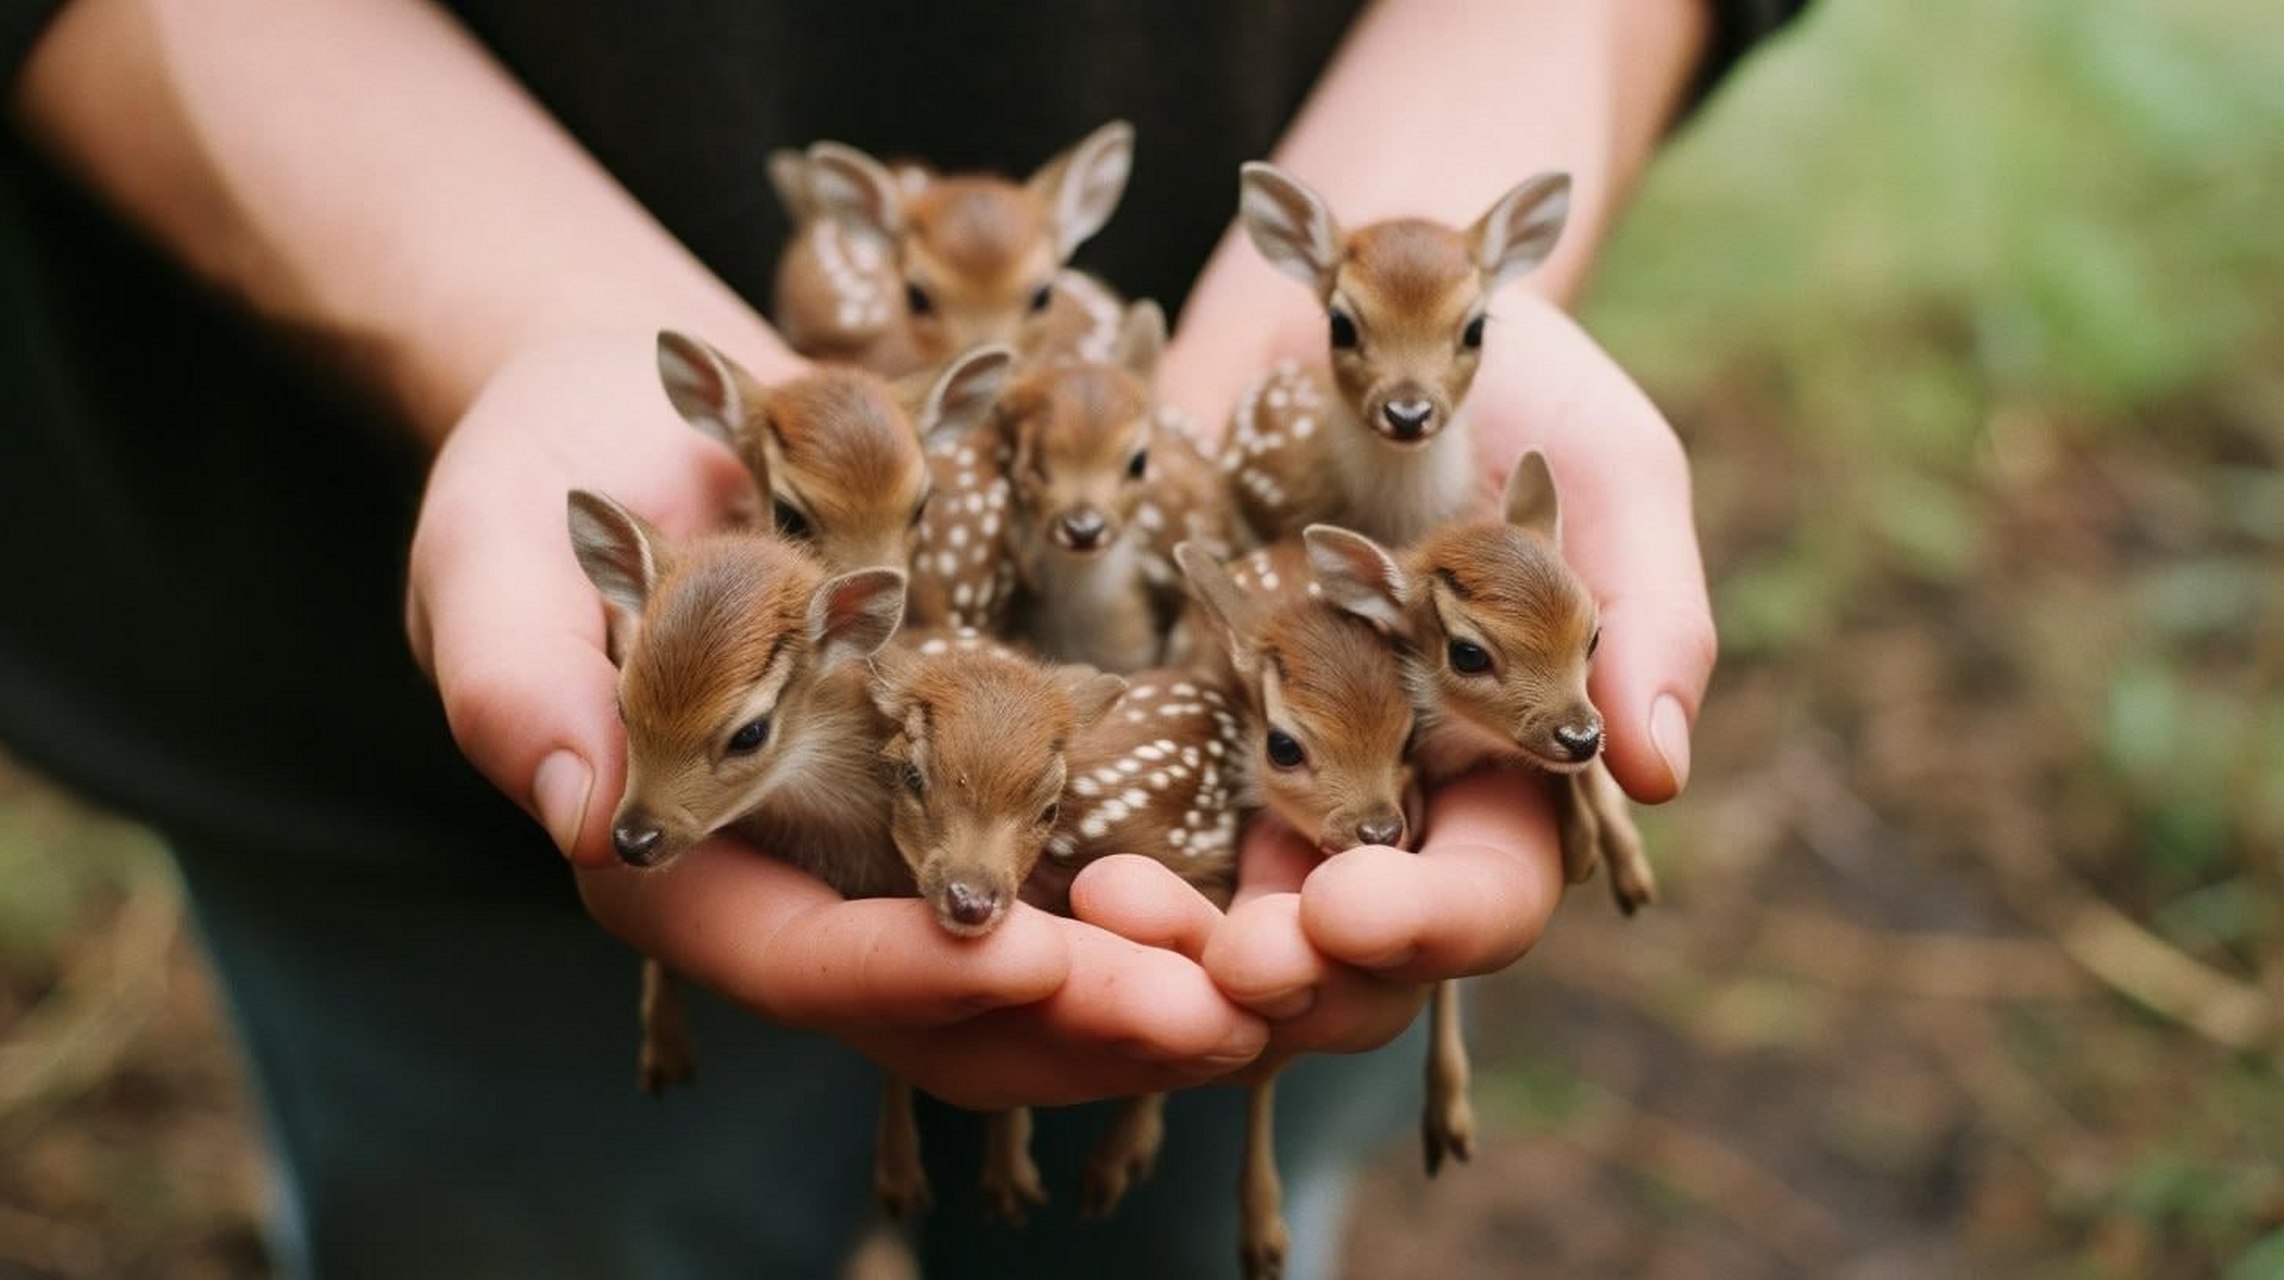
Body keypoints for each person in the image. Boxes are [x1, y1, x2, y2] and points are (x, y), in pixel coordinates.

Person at [0, 1, 1799, 1275]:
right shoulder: (834, 574)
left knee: (1211, 1144)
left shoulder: (1290, 606)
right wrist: (510, 321)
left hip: (1220, 768)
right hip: (366, 743)